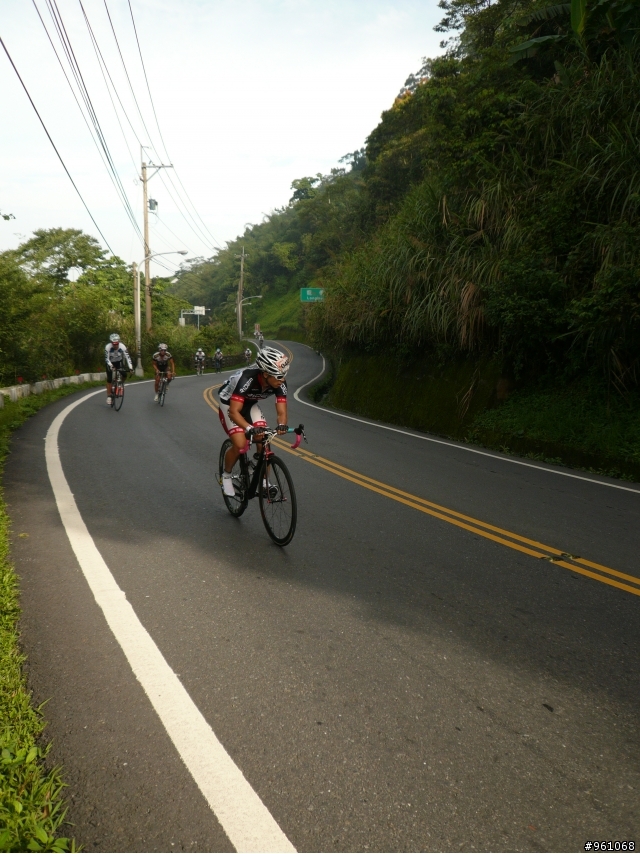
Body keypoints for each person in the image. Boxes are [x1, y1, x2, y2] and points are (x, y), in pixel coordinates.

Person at [218, 346, 290, 496]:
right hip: (229, 405)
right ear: (265, 374)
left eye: (283, 375)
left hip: (250, 404)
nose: (282, 380)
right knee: (240, 444)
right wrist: (248, 427)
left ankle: (263, 481)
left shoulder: (279, 382)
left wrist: (282, 425)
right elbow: (234, 411)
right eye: (278, 376)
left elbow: (282, 411)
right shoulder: (247, 379)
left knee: (264, 438)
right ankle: (226, 476)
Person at [104, 333, 133, 406]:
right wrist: (111, 366)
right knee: (109, 379)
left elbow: (128, 358)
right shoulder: (108, 347)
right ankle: (109, 396)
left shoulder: (122, 347)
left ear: (119, 342)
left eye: (117, 343)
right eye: (114, 344)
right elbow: (106, 359)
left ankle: (120, 384)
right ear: (111, 343)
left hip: (119, 362)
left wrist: (131, 368)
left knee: (124, 375)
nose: (115, 345)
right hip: (110, 362)